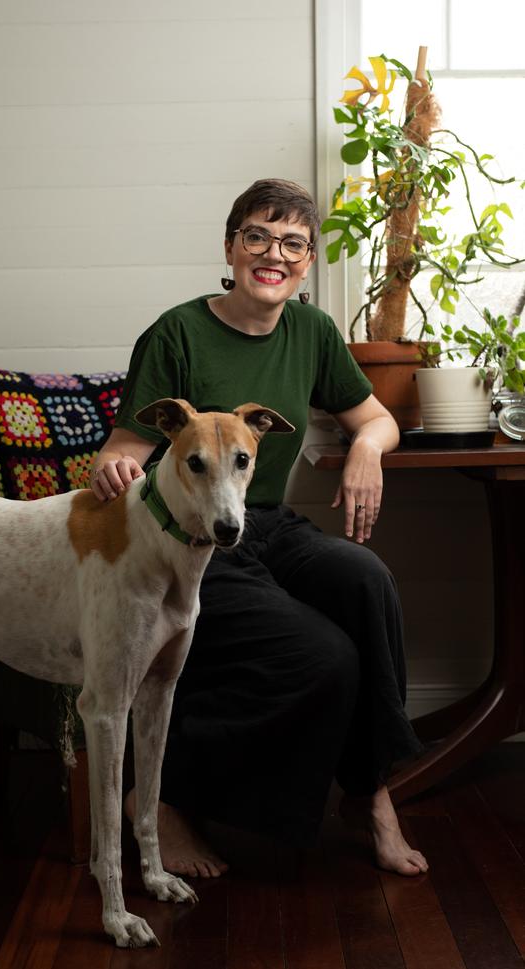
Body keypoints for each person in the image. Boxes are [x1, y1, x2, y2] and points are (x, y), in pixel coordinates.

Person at [90, 178, 428, 878]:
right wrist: (113, 470)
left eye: (293, 243)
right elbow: (125, 450)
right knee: (322, 656)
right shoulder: (178, 331)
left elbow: (378, 419)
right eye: (258, 236)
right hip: (193, 546)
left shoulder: (312, 331)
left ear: (306, 264)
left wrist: (366, 448)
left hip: (270, 525)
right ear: (231, 247)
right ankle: (164, 800)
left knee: (367, 581)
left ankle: (371, 794)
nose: (274, 253)